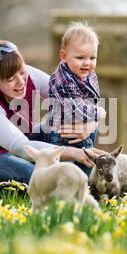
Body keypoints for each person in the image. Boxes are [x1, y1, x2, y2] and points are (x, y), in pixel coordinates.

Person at [0, 32, 104, 199]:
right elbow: (20, 147)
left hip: (7, 150)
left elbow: (72, 103)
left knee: (75, 124)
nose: (21, 82)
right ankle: (63, 191)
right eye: (10, 79)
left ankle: (84, 188)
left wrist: (90, 125)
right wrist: (73, 153)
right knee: (32, 173)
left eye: (22, 73)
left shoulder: (29, 75)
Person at [43, 22, 106, 176]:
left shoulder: (85, 72)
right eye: (80, 57)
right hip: (63, 135)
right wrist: (99, 112)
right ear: (64, 56)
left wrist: (92, 121)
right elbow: (77, 110)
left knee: (86, 159)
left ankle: (85, 187)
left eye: (92, 58)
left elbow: (91, 99)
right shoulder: (65, 80)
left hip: (82, 127)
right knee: (72, 168)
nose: (87, 62)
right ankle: (79, 188)